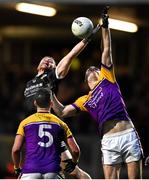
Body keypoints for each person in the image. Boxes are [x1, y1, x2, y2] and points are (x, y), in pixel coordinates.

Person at [51, 10, 143, 179]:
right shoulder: (85, 100)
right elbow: (62, 112)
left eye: (95, 68)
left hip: (128, 134)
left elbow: (106, 49)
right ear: (86, 82)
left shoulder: (107, 78)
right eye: (89, 69)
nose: (92, 68)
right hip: (108, 141)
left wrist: (105, 26)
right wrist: (50, 93)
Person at [23, 30, 94, 179]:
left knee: (74, 171)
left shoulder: (50, 77)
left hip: (49, 127)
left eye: (51, 61)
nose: (48, 61)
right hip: (33, 129)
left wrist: (85, 41)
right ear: (37, 65)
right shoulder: (29, 83)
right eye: (45, 59)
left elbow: (69, 57)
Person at [12, 88, 82, 179]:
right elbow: (75, 150)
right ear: (51, 104)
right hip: (53, 172)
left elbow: (16, 150)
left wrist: (17, 167)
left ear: (35, 103)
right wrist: (74, 162)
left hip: (30, 171)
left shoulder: (25, 123)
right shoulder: (61, 124)